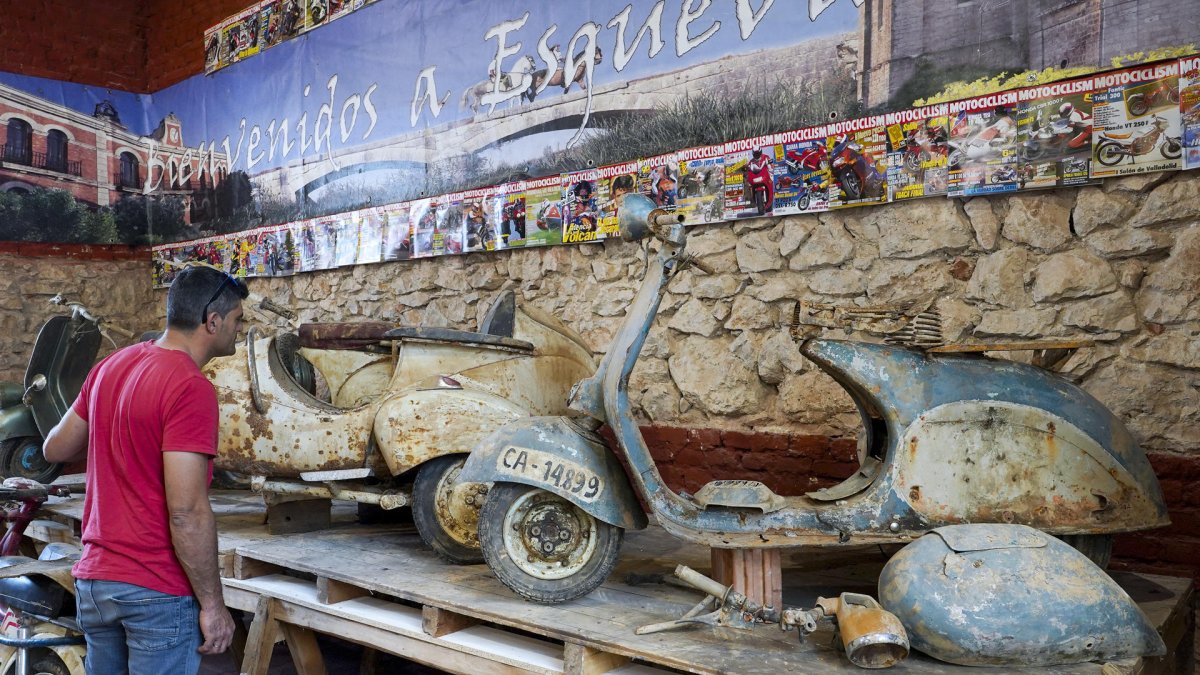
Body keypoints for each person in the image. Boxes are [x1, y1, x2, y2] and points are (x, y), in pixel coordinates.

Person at [43, 265, 244, 674]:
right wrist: (213, 605)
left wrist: (114, 427)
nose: (240, 329)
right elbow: (186, 512)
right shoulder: (190, 387)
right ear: (212, 320)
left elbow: (55, 447)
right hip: (154, 589)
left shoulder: (110, 366)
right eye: (238, 319)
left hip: (96, 583)